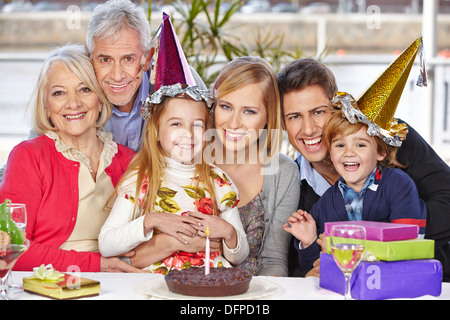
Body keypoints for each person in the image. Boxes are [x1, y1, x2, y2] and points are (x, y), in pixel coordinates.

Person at [278, 41, 450, 280]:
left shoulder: (390, 137)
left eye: (318, 112)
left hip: (430, 282)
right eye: (294, 116)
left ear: (338, 108)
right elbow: (299, 263)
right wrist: (313, 268)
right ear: (283, 124)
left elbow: (447, 200)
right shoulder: (291, 183)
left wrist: (362, 248)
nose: (309, 129)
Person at [98, 13, 249, 273]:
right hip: (155, 285)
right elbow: (107, 244)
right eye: (176, 124)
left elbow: (238, 257)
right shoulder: (140, 179)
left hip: (209, 283)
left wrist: (230, 234)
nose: (188, 134)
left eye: (197, 125)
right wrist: (151, 220)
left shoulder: (218, 180)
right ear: (156, 130)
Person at [0, 44, 139, 272]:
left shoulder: (128, 160)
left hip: (120, 284)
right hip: (48, 284)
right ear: (46, 106)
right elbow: (10, 248)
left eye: (84, 89)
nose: (73, 103)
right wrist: (98, 265)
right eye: (59, 93)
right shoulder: (28, 156)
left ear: (100, 98)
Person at [283, 97, 427, 272]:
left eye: (360, 145)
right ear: (330, 152)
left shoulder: (399, 185)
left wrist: (342, 252)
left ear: (380, 152)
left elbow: (410, 244)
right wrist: (309, 240)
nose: (349, 153)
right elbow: (314, 269)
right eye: (340, 145)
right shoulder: (325, 204)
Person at [210, 56, 300, 276]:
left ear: (269, 116)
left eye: (249, 111)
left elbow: (273, 260)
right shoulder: (191, 161)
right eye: (226, 106)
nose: (233, 123)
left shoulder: (283, 173)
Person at [86, 0, 206, 151]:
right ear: (91, 56)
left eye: (128, 59)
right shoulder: (80, 95)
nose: (117, 76)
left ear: (148, 57)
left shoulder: (182, 81)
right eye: (105, 60)